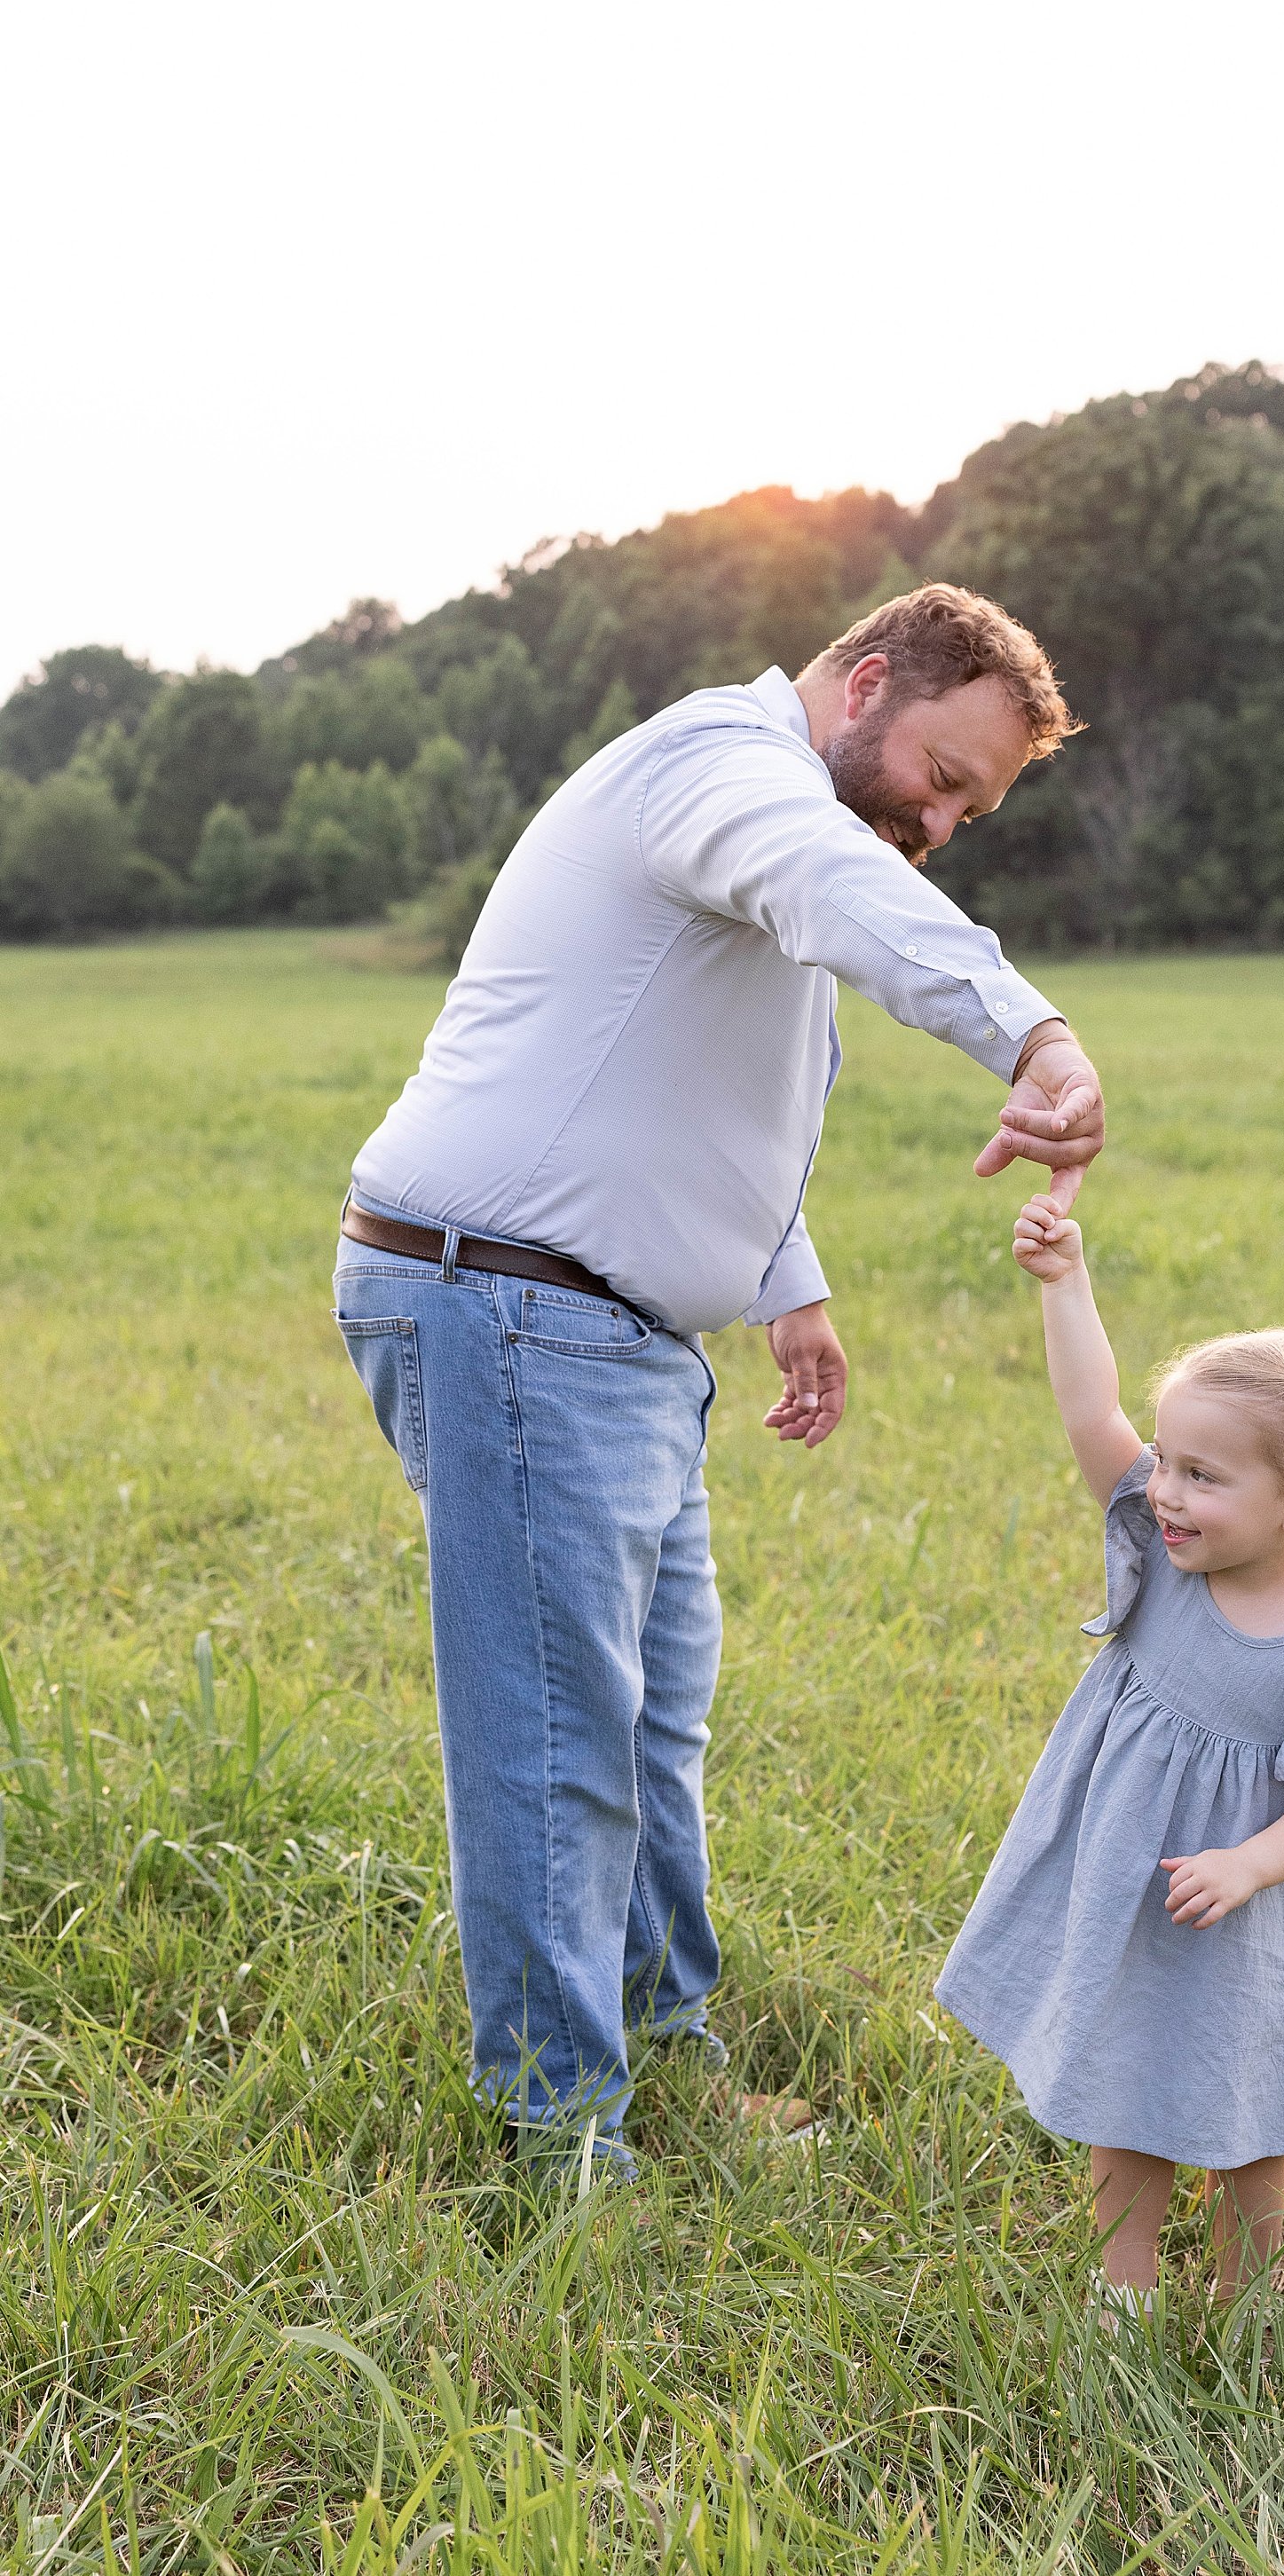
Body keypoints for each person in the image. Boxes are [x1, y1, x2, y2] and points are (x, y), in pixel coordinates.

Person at [333, 585, 1106, 2165]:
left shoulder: (768, 806)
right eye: (946, 778)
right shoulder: (721, 770)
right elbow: (827, 883)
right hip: (509, 1307)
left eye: (974, 805)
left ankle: (667, 2052)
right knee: (559, 1736)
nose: (945, 824)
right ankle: (563, 2137)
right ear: (869, 679)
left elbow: (693, 1071)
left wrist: (783, 1279)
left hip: (599, 1324)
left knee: (648, 1721)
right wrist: (1032, 1032)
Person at [934, 1192, 1284, 2330]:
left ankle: (1247, 2298)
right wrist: (1063, 1280)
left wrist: (1252, 1865)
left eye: (1203, 1476)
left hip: (1232, 1908)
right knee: (1120, 2079)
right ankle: (1119, 2291)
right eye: (1167, 1463)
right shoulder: (1164, 1554)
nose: (1164, 1491)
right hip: (1123, 1881)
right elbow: (1087, 1412)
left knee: (1244, 2109)